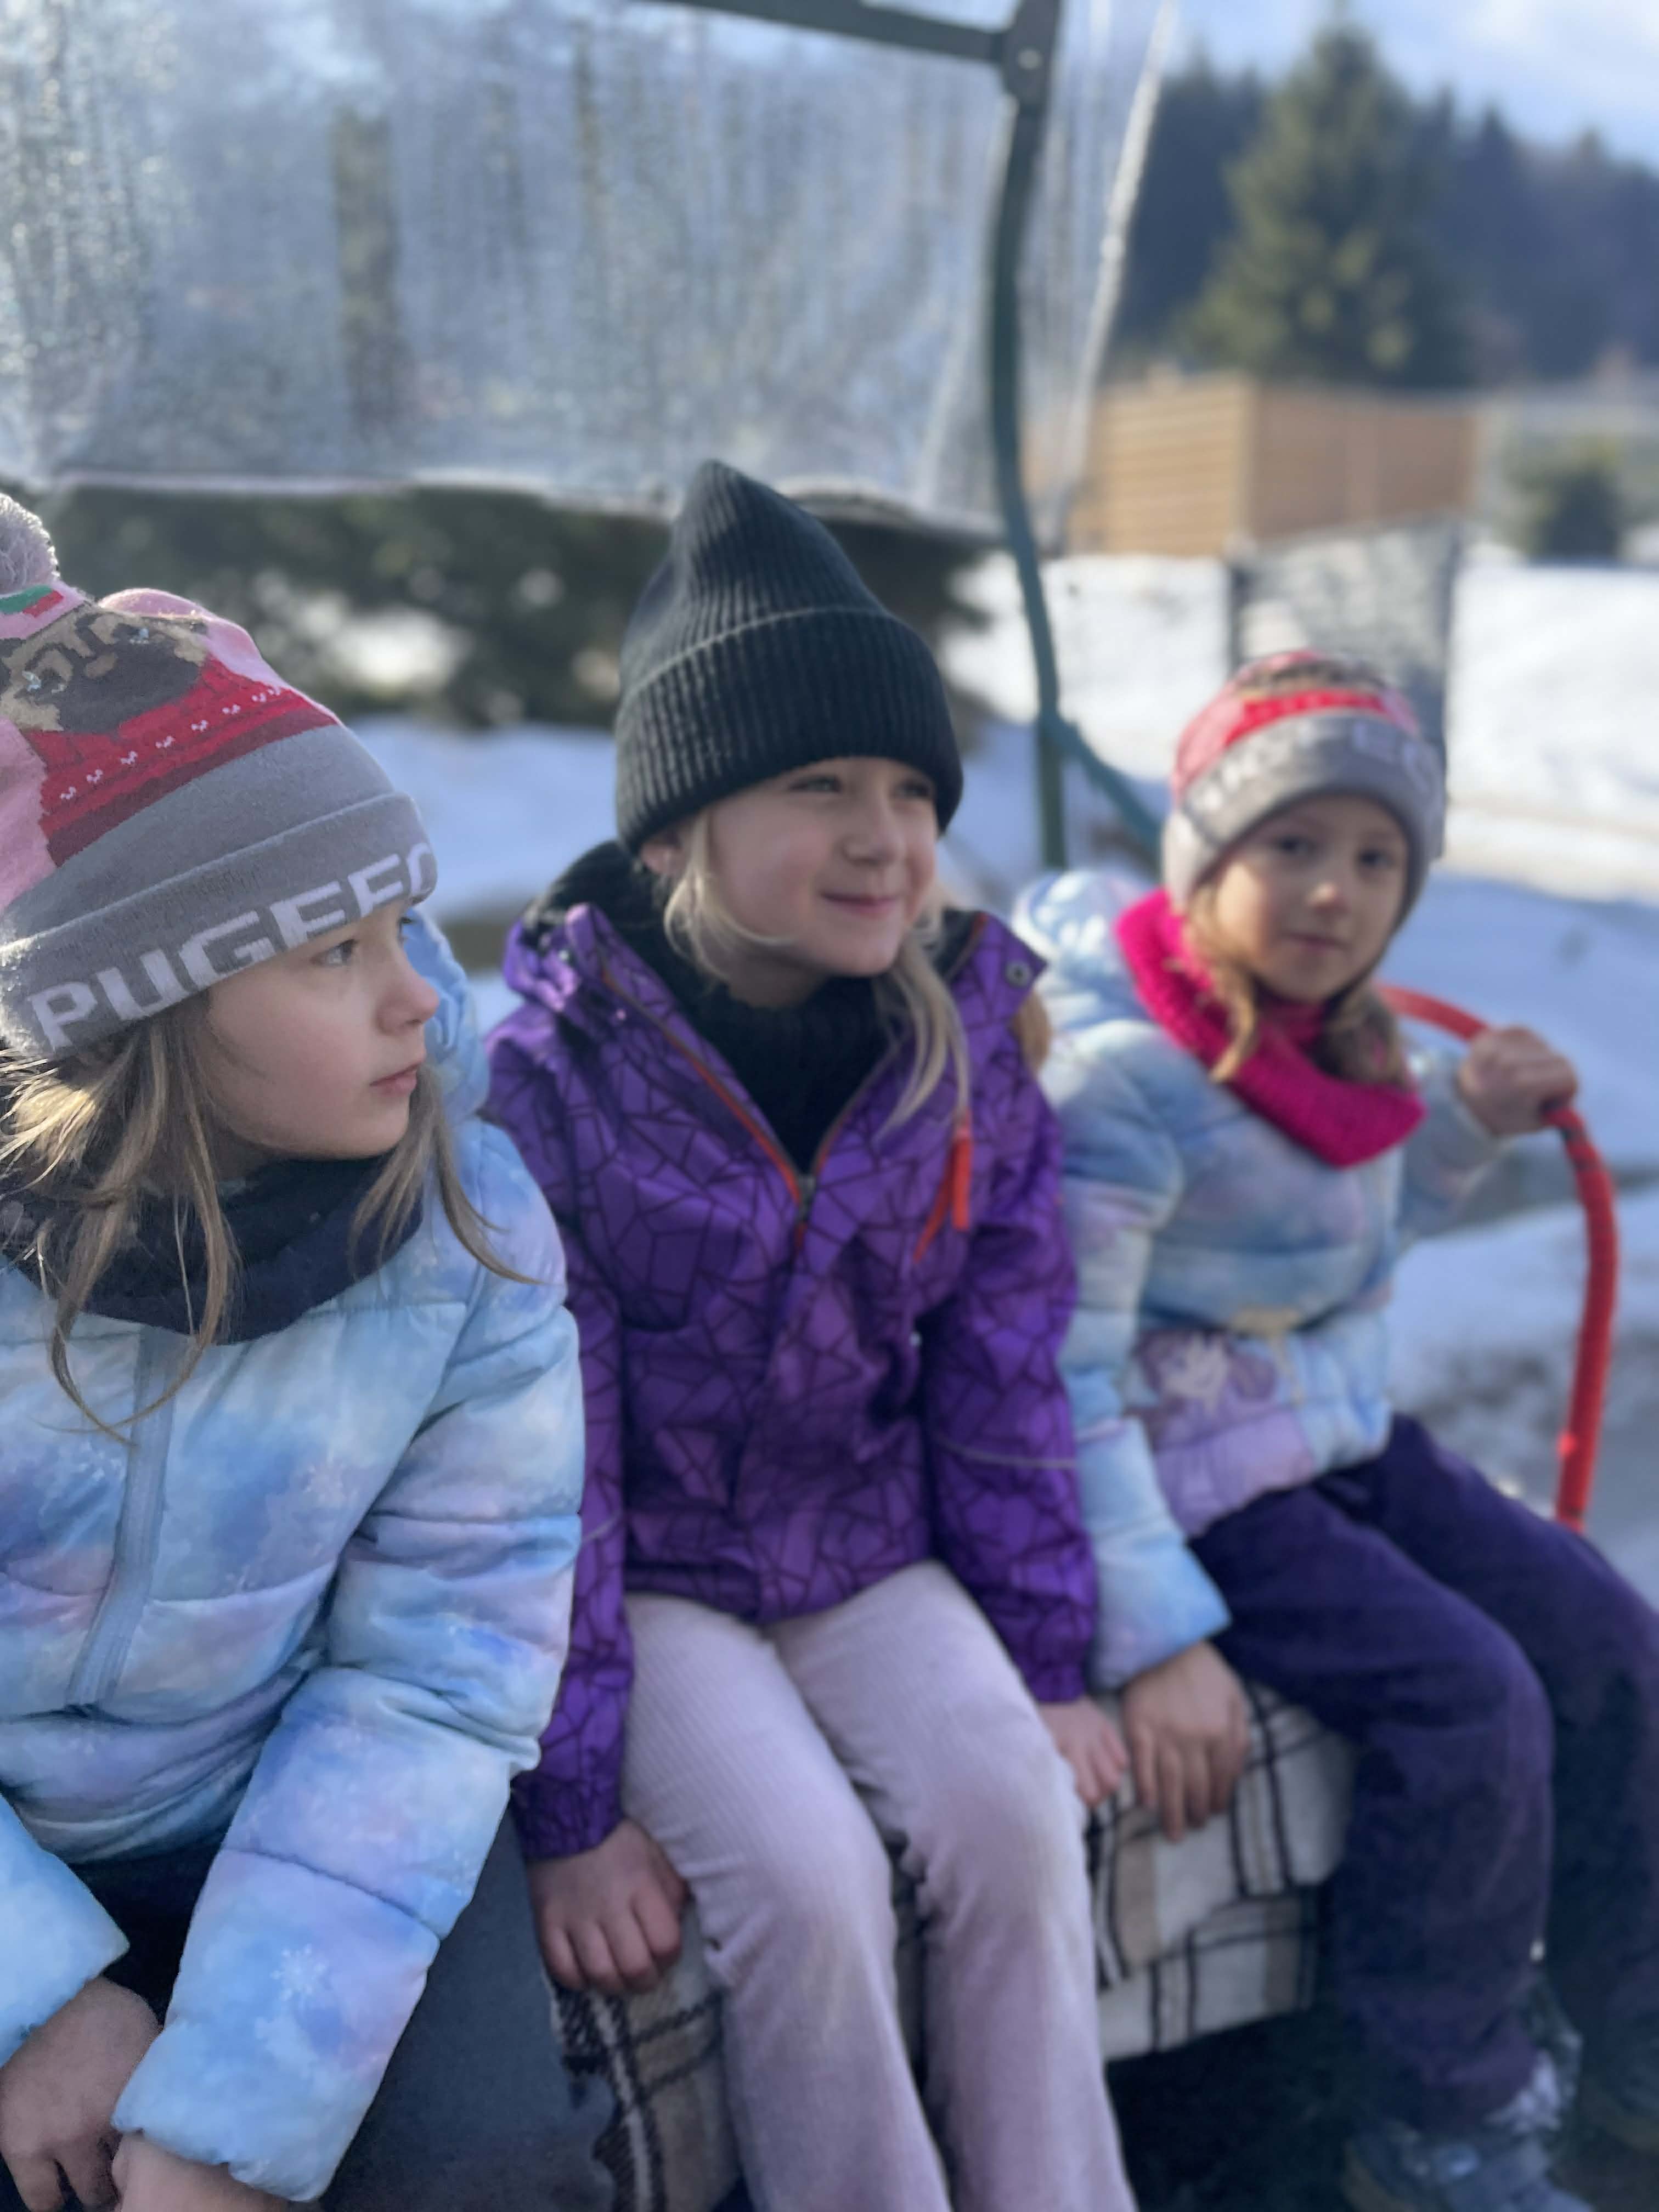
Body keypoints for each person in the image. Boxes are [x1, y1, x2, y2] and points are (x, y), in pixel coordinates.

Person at [486, 461, 1186, 2212]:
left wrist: (1047, 1659)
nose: (884, 836)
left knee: (1015, 1816)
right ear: (677, 831)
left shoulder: (960, 1046)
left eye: (911, 791)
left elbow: (1003, 1375)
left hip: (864, 1543)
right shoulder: (555, 1084)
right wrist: (572, 1809)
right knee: (806, 1881)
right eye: (818, 787)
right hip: (654, 1581)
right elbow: (539, 1467)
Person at [0, 495, 611, 2212]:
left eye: (405, 925)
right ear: (139, 1014)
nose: (422, 994)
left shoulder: (469, 1242)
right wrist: (39, 2003)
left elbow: (437, 1670)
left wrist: (237, 2111)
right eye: (338, 953)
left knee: (484, 2168)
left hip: (309, 1803)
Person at [1015, 648, 1659, 2212]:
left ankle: (1634, 2042)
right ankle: (1431, 2110)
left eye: (1378, 860)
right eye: (1292, 843)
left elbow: (1335, 1240)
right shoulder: (1127, 1083)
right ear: (1202, 855)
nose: (1335, 891)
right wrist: (1153, 1624)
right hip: (1199, 1478)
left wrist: (1462, 1125)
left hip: (1335, 1435)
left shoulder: (1344, 1043)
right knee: (1469, 1698)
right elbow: (1061, 1377)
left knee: (1608, 1638)